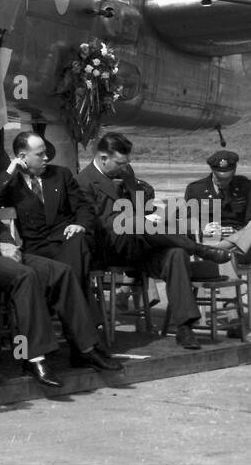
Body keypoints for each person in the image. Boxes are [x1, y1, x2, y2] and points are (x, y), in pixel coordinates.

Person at [0, 133, 122, 383]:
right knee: (26, 276)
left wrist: (8, 243)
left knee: (60, 271)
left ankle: (86, 348)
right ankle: (34, 358)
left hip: (1, 251)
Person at [75, 132, 230, 350]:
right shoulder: (83, 182)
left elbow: (144, 205)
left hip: (141, 244)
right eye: (120, 163)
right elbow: (103, 224)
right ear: (103, 158)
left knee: (176, 255)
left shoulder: (125, 172)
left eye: (127, 163)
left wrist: (139, 200)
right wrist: (139, 219)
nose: (124, 167)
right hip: (110, 249)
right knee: (143, 225)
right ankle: (199, 248)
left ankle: (185, 328)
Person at [0, 131, 96, 295]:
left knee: (78, 242)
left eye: (46, 153)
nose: (46, 158)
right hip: (36, 248)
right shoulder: (11, 183)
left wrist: (79, 225)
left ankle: (65, 301)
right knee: (72, 264)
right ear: (22, 156)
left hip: (65, 241)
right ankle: (77, 307)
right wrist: (9, 172)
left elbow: (83, 207)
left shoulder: (61, 174)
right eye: (40, 154)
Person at [184, 150, 251, 261]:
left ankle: (217, 250)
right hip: (210, 239)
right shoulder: (196, 189)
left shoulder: (246, 186)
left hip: (240, 248)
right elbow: (187, 225)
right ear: (212, 171)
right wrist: (204, 229)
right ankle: (215, 250)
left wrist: (237, 234)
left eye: (227, 178)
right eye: (219, 178)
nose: (223, 182)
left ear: (234, 171)